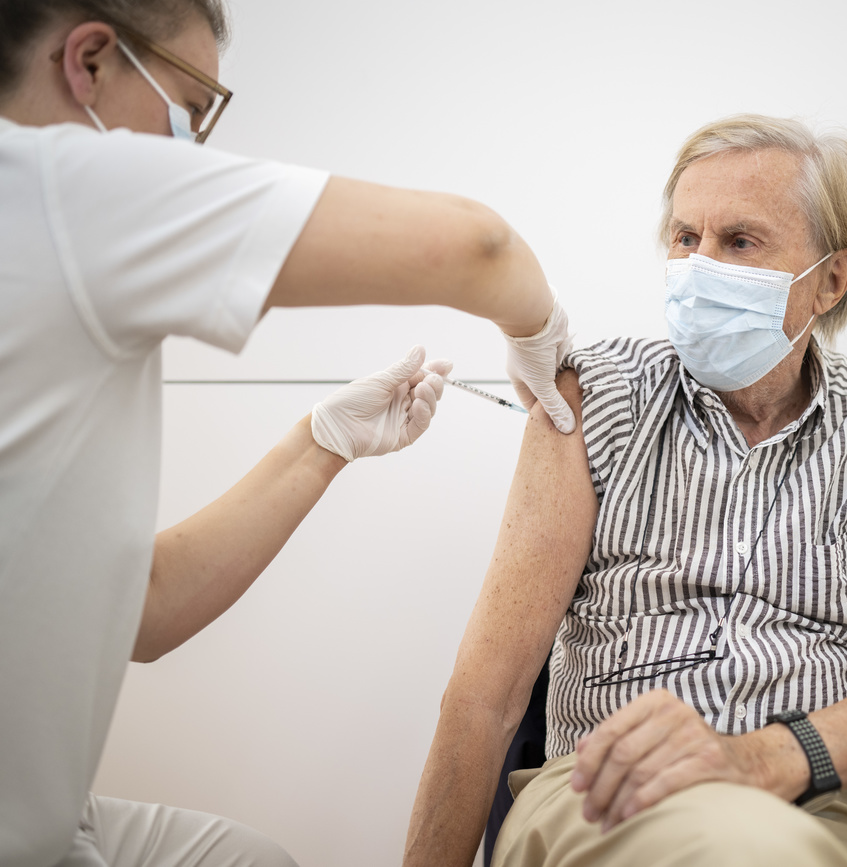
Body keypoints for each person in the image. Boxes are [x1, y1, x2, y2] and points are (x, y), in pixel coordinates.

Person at [0, 1, 575, 865]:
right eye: (190, 110)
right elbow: (481, 247)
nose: (193, 146)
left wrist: (322, 441)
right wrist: (541, 337)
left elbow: (141, 611)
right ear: (88, 61)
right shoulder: (54, 182)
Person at [402, 115, 847, 867]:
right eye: (686, 238)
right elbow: (484, 695)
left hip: (841, 806)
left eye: (740, 241)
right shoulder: (596, 398)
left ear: (830, 278)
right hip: (609, 793)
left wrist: (763, 758)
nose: (698, 265)